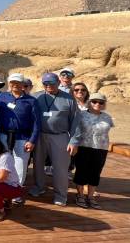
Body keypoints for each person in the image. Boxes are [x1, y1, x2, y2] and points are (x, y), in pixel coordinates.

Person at [29, 72, 79, 206]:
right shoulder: (36, 96)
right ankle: (39, 187)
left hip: (60, 136)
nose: (48, 86)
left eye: (51, 83)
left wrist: (74, 141)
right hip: (39, 136)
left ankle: (61, 195)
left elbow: (75, 122)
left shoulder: (69, 99)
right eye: (45, 83)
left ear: (58, 82)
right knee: (38, 164)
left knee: (60, 168)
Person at [0, 73, 40, 204]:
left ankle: (16, 192)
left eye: (17, 83)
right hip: (3, 135)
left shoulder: (31, 101)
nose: (14, 85)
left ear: (23, 85)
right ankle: (4, 189)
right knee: (3, 163)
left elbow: (37, 123)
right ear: (9, 84)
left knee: (20, 165)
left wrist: (32, 140)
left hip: (22, 137)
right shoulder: (2, 97)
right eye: (12, 82)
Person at [69, 93, 114, 210]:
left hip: (101, 148)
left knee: (95, 172)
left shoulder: (107, 117)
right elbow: (74, 131)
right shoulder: (81, 115)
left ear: (104, 104)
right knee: (81, 171)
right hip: (84, 147)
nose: (97, 104)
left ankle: (90, 197)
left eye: (101, 102)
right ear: (89, 102)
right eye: (94, 101)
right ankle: (80, 195)